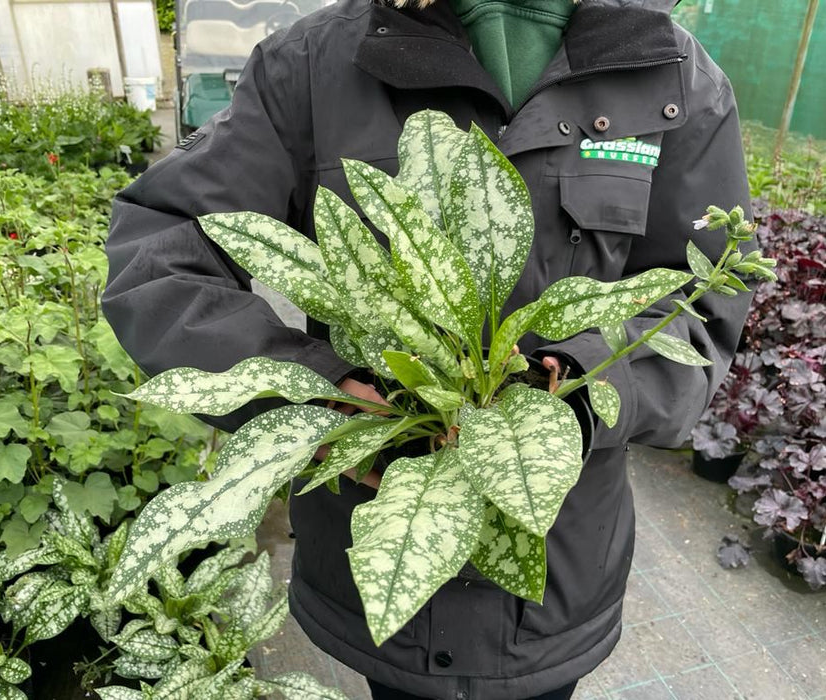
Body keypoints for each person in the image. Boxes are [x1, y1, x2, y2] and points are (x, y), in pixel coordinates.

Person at [102, 0, 753, 697]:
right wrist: (322, 391)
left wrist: (574, 391)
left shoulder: (670, 73)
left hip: (555, 575)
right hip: (376, 544)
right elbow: (161, 256)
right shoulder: (316, 61)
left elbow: (703, 300)